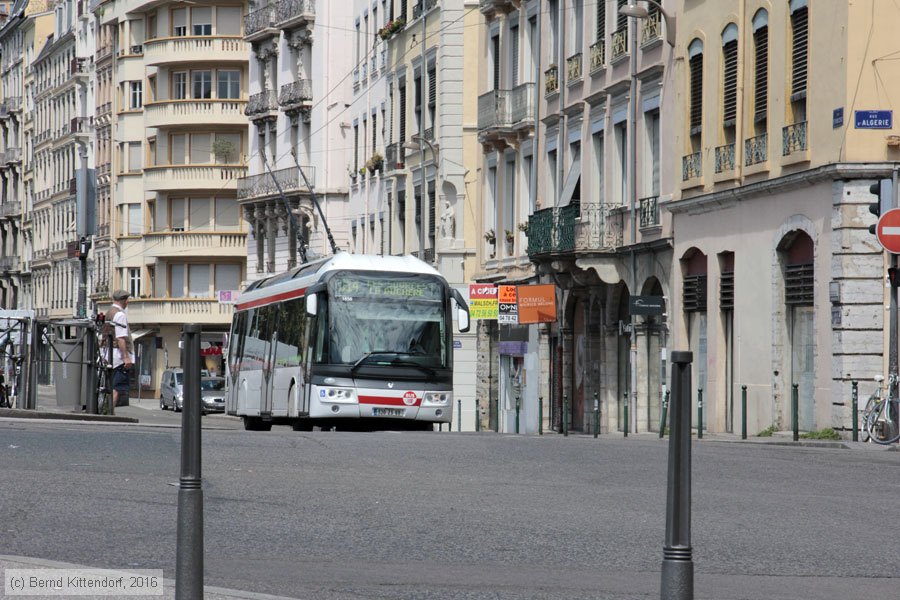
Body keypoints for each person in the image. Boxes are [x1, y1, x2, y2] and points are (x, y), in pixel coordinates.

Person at [107, 289, 134, 407]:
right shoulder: (120, 315)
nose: (127, 302)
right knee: (117, 388)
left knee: (109, 386)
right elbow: (120, 338)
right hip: (118, 358)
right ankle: (110, 411)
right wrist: (126, 357)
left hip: (108, 354)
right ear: (124, 301)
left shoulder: (109, 312)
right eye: (127, 300)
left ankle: (106, 409)